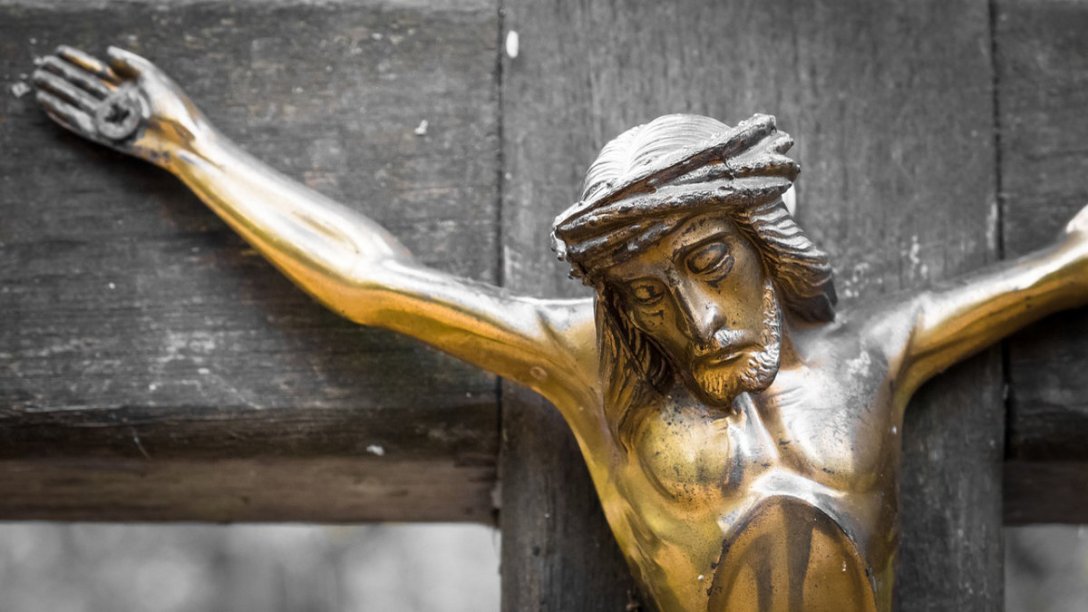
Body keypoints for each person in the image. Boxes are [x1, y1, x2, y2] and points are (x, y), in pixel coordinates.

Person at [31, 46, 1088, 612]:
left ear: (765, 238)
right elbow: (371, 281)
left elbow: (1068, 263)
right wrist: (188, 146)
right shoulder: (593, 369)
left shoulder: (875, 354)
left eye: (709, 264)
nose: (691, 320)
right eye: (641, 293)